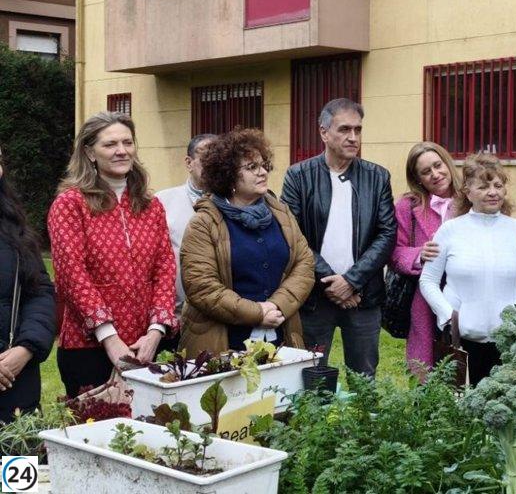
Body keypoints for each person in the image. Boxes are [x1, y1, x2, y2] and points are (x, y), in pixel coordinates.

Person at [48, 112, 178, 398]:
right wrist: (110, 338)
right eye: (110, 144)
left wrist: (156, 331)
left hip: (148, 343)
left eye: (127, 142)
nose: (121, 151)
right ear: (89, 152)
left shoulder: (150, 205)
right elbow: (72, 275)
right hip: (89, 348)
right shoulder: (70, 204)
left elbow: (165, 269)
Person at [281, 98, 396, 377]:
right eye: (344, 129)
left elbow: (387, 232)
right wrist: (331, 283)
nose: (353, 137)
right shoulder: (298, 176)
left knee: (364, 378)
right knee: (309, 376)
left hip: (363, 297)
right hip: (314, 296)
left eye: (358, 130)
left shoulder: (377, 176)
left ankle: (363, 422)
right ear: (324, 132)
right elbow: (292, 235)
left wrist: (352, 281)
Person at [179, 128, 314, 357]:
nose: (262, 172)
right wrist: (257, 313)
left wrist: (276, 306)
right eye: (252, 167)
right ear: (228, 175)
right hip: (221, 343)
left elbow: (304, 264)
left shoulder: (281, 213)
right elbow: (201, 286)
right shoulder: (203, 222)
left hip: (280, 334)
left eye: (264, 165)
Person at [419, 153, 516, 384]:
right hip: (461, 341)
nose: (493, 192)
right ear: (467, 191)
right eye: (484, 187)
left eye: (498, 185)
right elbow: (428, 281)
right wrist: (448, 316)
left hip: (508, 340)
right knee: (461, 410)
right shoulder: (449, 231)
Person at [389, 142, 461, 379]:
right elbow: (394, 252)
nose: (435, 174)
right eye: (426, 171)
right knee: (425, 365)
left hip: (466, 292)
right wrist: (418, 254)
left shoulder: (471, 197)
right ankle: (425, 407)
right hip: (424, 299)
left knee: (463, 359)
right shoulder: (407, 206)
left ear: (447, 163)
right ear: (417, 179)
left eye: (438, 165)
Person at [0, 146, 56, 422]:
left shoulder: (14, 228)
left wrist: (27, 348)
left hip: (17, 383)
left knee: (21, 464)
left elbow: (40, 292)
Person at [155, 133, 216, 345]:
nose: (213, 162)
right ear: (189, 162)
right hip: (171, 316)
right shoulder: (162, 202)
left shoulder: (235, 203)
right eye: (206, 155)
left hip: (219, 317)